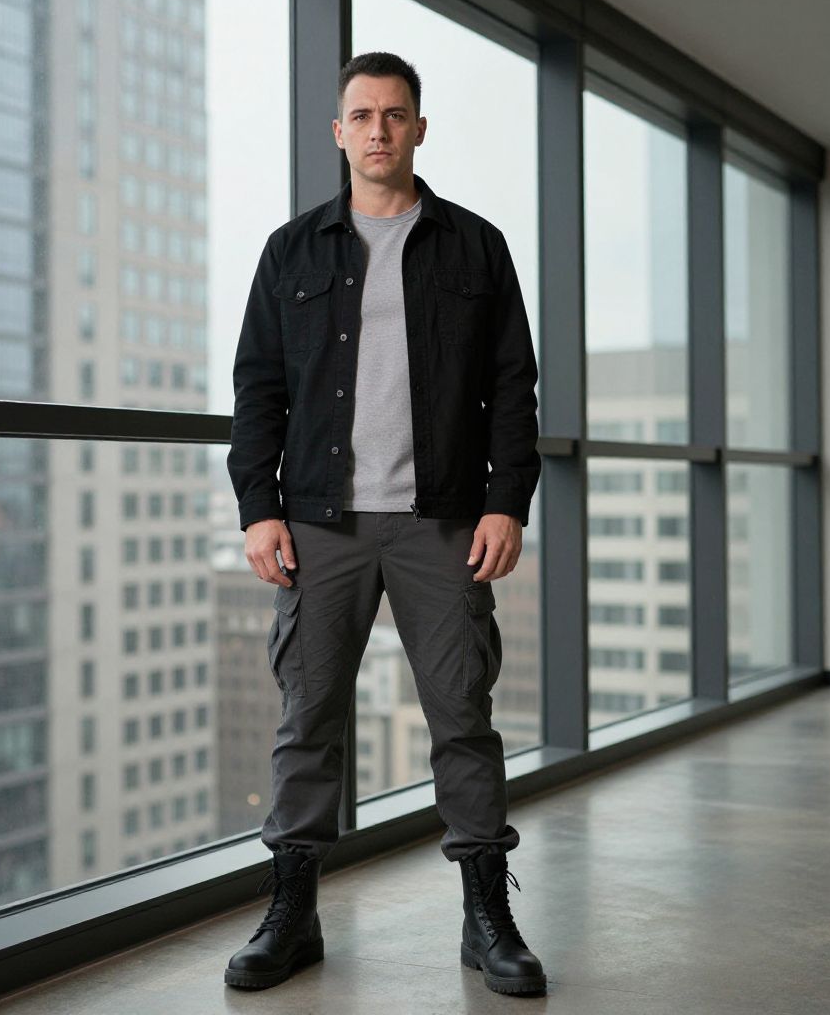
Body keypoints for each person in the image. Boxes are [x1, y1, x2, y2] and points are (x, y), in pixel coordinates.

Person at [223, 51, 545, 996]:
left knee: (463, 717)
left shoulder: (476, 247)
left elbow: (513, 387)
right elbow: (258, 390)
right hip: (320, 521)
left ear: (419, 128)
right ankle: (293, 913)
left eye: (394, 114)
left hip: (441, 519)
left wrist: (506, 500)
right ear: (339, 132)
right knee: (307, 720)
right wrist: (258, 511)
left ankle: (487, 918)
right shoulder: (291, 252)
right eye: (361, 115)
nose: (377, 130)